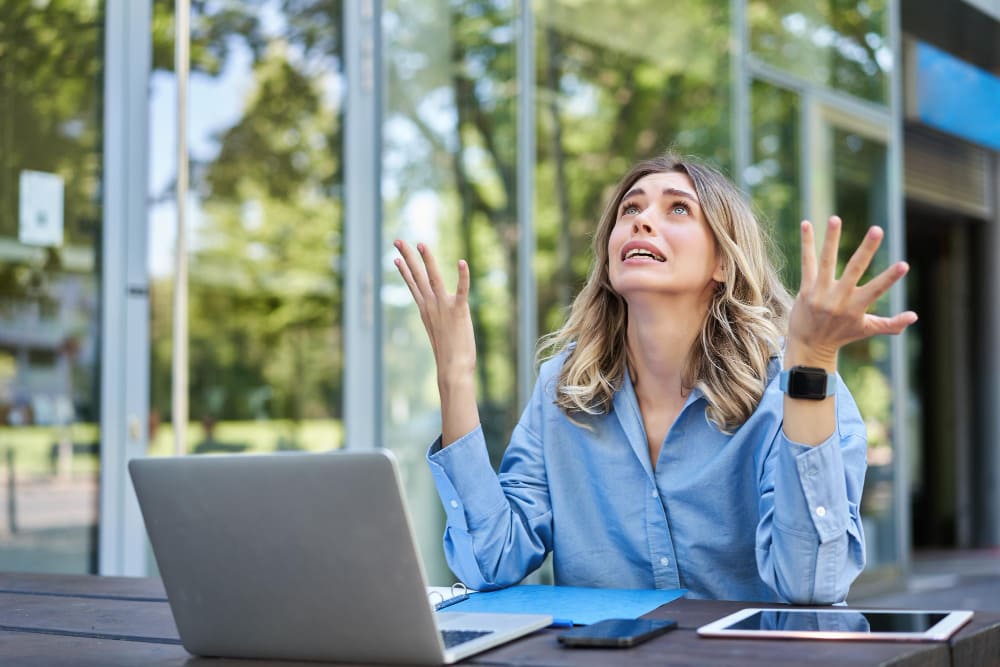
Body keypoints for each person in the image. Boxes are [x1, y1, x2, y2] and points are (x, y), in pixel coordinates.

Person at [393, 153, 916, 604]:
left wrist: (814, 358)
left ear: (723, 261)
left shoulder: (792, 383)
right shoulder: (563, 388)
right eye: (631, 209)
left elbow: (811, 583)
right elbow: (490, 560)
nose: (643, 221)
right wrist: (454, 375)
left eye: (678, 208)